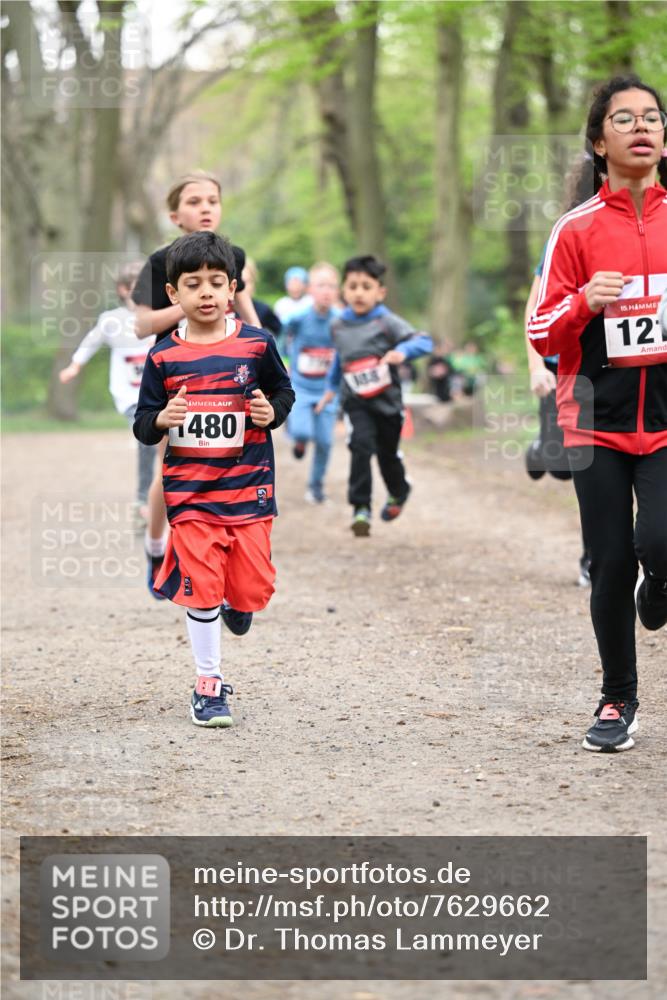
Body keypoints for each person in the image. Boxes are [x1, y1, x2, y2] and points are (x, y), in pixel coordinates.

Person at [527, 75, 667, 753]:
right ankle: (617, 698)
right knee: (610, 561)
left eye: (651, 117)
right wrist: (583, 302)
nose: (640, 127)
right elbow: (538, 330)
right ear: (597, 141)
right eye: (623, 118)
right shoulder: (574, 230)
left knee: (659, 543)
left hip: (666, 420)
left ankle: (661, 581)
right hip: (593, 421)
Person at [133, 232, 294, 728]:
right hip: (192, 495)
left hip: (249, 489)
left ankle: (237, 601)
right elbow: (143, 423)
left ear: (232, 289)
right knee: (201, 586)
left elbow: (283, 393)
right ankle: (208, 684)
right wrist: (162, 419)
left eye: (216, 283)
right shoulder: (162, 358)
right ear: (174, 294)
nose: (205, 292)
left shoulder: (256, 345)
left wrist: (270, 412)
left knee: (250, 590)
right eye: (193, 284)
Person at [131, 170, 260, 599]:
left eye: (212, 200)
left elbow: (245, 309)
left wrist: (264, 352)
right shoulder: (158, 261)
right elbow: (142, 325)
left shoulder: (233, 255)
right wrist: (188, 307)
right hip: (177, 376)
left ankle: (222, 561)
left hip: (225, 372)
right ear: (175, 215)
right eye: (194, 201)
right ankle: (155, 549)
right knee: (170, 470)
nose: (205, 208)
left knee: (228, 467)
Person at [316, 254, 432, 536]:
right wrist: (330, 391)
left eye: (366, 287)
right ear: (343, 290)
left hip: (388, 403)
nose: (358, 293)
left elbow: (424, 341)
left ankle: (399, 490)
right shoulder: (338, 325)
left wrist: (402, 352)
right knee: (360, 446)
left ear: (380, 292)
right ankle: (361, 509)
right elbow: (339, 361)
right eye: (353, 286)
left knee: (387, 456)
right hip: (356, 402)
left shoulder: (386, 322)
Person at [59, 262, 156, 522]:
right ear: (123, 290)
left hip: (160, 394)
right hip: (129, 395)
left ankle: (171, 497)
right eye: (136, 284)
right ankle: (142, 501)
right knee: (147, 439)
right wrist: (74, 365)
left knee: (172, 443)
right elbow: (91, 342)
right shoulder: (111, 320)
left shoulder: (160, 316)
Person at [524, 241, 591, 587]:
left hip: (606, 373)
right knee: (563, 467)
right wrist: (536, 366)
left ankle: (592, 559)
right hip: (558, 371)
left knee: (596, 467)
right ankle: (539, 450)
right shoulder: (566, 236)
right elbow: (533, 308)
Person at [285, 262, 340, 503]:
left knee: (326, 442)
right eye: (321, 285)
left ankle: (316, 486)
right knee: (302, 431)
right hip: (301, 387)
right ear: (310, 290)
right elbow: (276, 336)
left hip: (327, 390)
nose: (327, 291)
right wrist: (281, 362)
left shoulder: (340, 320)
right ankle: (298, 438)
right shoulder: (298, 318)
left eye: (331, 286)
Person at [242, 258, 282, 339]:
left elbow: (280, 332)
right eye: (240, 282)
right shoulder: (224, 311)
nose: (242, 287)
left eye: (247, 282)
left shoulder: (263, 309)